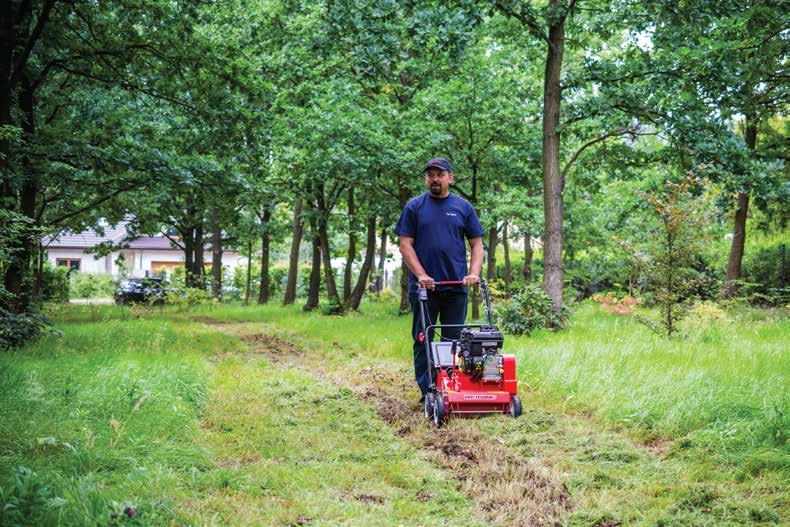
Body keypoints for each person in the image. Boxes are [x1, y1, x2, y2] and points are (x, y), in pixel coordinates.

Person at [395, 157, 484, 401]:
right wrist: (421, 275)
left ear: (450, 178)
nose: (435, 179)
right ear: (426, 179)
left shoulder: (463, 207)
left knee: (453, 341)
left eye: (440, 174)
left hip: (455, 287)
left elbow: (477, 244)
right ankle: (427, 391)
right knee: (423, 338)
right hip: (424, 289)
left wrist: (473, 273)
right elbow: (405, 244)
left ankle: (449, 388)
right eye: (430, 174)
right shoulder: (414, 207)